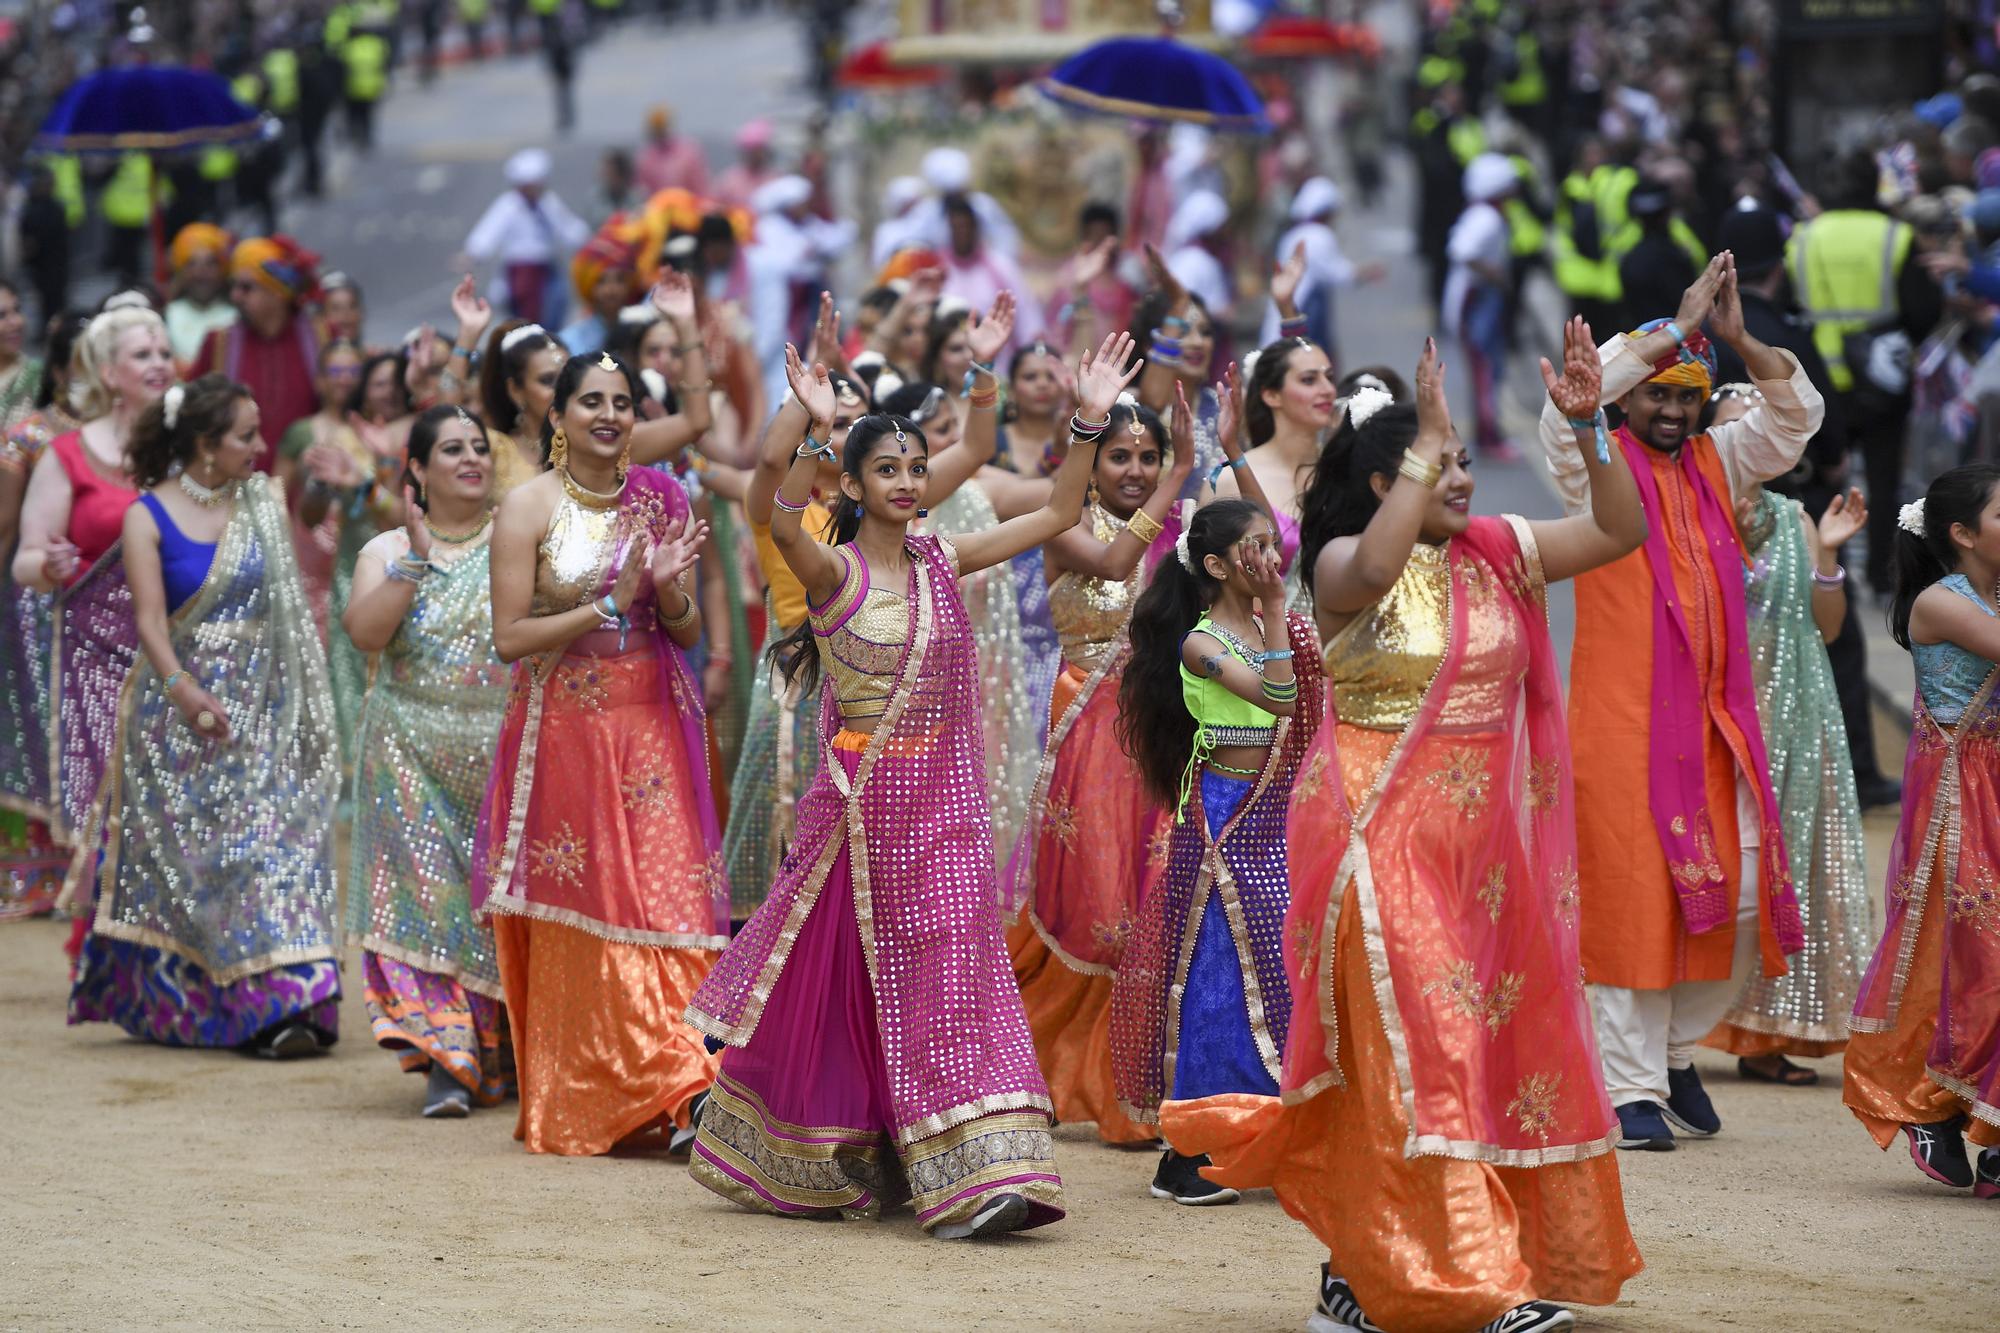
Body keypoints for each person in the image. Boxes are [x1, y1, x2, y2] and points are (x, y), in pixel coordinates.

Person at [1167, 324, 1649, 1333]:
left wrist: (1586, 423)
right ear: (1386, 479)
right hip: (1370, 833)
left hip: (1476, 855)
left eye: (1467, 458)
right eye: (1439, 462)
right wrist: (1423, 437)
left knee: (1468, 1051)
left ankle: (1358, 1272)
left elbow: (1615, 534)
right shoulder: (1338, 568)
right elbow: (1374, 570)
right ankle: (1463, 1283)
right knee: (1418, 1047)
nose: (1461, 476)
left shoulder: (1498, 552)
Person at [685, 334, 1134, 1239]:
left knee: (953, 973)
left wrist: (1087, 420)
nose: (905, 480)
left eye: (915, 467)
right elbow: (771, 502)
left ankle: (978, 1171)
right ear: (850, 485)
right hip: (860, 817)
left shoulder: (943, 560)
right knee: (858, 981)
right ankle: (872, 1148)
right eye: (885, 468)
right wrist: (804, 419)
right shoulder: (831, 571)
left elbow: (1054, 513)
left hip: (946, 811)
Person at [1536, 254, 1826, 1151]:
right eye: (1655, 396)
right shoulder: (1595, 465)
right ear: (1625, 405)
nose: (1670, 410)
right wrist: (1677, 324)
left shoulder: (1719, 458)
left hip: (1715, 721)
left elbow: (1796, 418)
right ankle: (1626, 1085)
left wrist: (1735, 337)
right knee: (1632, 896)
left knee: (1735, 890)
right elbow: (1565, 413)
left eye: (1686, 396)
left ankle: (1672, 1049)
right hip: (1622, 722)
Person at [474, 351, 726, 1156]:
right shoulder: (526, 507)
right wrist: (606, 604)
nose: (609, 414)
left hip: (651, 717)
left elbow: (686, 632)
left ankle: (691, 1086)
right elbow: (510, 637)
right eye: (590, 401)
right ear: (557, 418)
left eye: (622, 401)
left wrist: (669, 590)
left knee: (672, 898)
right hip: (567, 729)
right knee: (599, 904)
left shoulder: (662, 496)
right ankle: (619, 1090)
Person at [69, 375, 341, 1056]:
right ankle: (225, 1009)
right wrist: (184, 690)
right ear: (204, 444)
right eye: (245, 434)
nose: (259, 444)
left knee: (272, 851)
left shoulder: (262, 501)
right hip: (178, 718)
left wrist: (330, 487)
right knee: (207, 868)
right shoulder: (146, 515)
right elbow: (150, 622)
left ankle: (292, 1006)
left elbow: (304, 549)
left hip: (266, 709)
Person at [1111, 488, 1321, 1205]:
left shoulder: (1276, 626)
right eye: (1254, 547)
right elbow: (1278, 699)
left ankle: (1268, 1131)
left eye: (1272, 542)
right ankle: (1190, 1145)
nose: (1270, 556)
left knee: (1280, 961)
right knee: (1216, 972)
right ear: (1216, 564)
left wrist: (1273, 615)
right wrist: (1272, 615)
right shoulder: (1202, 642)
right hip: (1225, 815)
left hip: (1276, 813)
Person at [1004, 389, 1192, 1146]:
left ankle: (1132, 1088)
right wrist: (1182, 471)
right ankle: (1031, 1063)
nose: (1139, 470)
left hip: (1158, 731)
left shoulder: (1177, 535)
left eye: (1150, 456)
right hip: (1086, 727)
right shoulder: (1066, 521)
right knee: (1092, 910)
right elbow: (1115, 561)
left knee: (1150, 907)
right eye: (1122, 455)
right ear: (1092, 462)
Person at [1701, 393, 1875, 1085]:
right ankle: (1683, 1023)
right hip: (1725, 717)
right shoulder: (1685, 513)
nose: (1752, 434)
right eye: (1734, 422)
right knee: (1725, 865)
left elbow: (1826, 627)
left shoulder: (1794, 515)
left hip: (1800, 709)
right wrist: (1733, 544)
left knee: (1796, 866)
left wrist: (1828, 555)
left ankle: (1771, 1025)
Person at [345, 404, 513, 1117]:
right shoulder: (385, 549)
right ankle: (448, 1056)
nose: (471, 458)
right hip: (406, 751)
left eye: (479, 446)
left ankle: (497, 1052)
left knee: (490, 910)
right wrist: (415, 560)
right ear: (416, 467)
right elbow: (365, 632)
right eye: (451, 449)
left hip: (501, 754)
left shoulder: (516, 536)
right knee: (428, 907)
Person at [1708, 202, 1897, 811]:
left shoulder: (1701, 336)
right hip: (1801, 496)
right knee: (1827, 640)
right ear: (1777, 264)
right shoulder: (1783, 336)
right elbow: (1826, 427)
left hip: (1726, 506)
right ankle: (1852, 775)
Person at [1845, 464, 2000, 1195]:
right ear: (1963, 535)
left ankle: (1986, 1128)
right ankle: (1929, 1102)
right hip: (1961, 796)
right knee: (1971, 956)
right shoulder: (1943, 602)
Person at [13, 307, 171, 879]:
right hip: (94, 663)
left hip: (180, 656)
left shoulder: (194, 452)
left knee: (177, 816)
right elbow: (27, 561)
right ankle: (107, 947)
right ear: (108, 374)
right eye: (142, 355)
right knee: (113, 818)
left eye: (163, 353)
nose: (159, 364)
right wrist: (48, 565)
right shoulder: (69, 454)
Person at [718, 370, 863, 922]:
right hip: (796, 682)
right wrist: (810, 404)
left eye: (854, 423)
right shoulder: (777, 510)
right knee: (788, 814)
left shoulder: (878, 512)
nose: (842, 433)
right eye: (834, 422)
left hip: (865, 683)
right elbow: (772, 460)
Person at [1787, 149, 1943, 594]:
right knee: (1884, 479)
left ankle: (1824, 570)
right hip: (1881, 378)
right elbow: (1923, 309)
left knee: (1820, 478)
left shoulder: (1802, 236)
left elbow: (1789, 306)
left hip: (1818, 377)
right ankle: (1881, 573)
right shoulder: (1895, 235)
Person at [0, 313, 81, 921]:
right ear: (58, 369)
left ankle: (94, 870)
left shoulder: (126, 436)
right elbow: (5, 526)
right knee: (39, 723)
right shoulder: (27, 435)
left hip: (110, 598)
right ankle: (37, 873)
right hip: (38, 601)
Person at [1211, 339, 1339, 610]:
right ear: (1271, 395)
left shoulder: (1344, 471)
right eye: (1309, 380)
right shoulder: (1229, 478)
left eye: (1329, 378)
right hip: (1264, 640)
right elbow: (1214, 583)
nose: (1328, 390)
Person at [189, 236, 324, 461]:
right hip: (236, 488)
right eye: (233, 286)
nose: (235, 296)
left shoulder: (322, 337)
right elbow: (194, 416)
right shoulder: (218, 344)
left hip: (308, 487)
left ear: (278, 292)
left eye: (246, 287)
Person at [1445, 153, 1522, 460]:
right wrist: (1497, 274)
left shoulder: (1482, 213)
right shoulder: (1487, 218)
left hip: (1477, 303)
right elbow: (1461, 251)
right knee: (1485, 371)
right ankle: (1489, 438)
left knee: (1487, 370)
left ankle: (1489, 433)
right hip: (1476, 304)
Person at [462, 149, 592, 329]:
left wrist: (587, 240)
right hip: (520, 270)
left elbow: (566, 225)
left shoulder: (547, 202)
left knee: (558, 303)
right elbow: (490, 229)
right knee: (525, 316)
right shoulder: (509, 204)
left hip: (547, 267)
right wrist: (473, 253)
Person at [1257, 178, 1384, 361]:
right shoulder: (1319, 236)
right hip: (1303, 313)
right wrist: (1369, 272)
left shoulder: (1293, 234)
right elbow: (1341, 274)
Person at [558, 220, 643, 357]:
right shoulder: (569, 342)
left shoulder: (645, 333)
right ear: (587, 284)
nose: (611, 290)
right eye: (601, 281)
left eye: (620, 280)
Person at [162, 225, 239, 367]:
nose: (201, 273)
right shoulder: (165, 316)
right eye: (192, 264)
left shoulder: (238, 318)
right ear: (180, 271)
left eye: (211, 263)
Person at [635, 104, 710, 197]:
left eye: (661, 126)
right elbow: (643, 189)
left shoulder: (688, 152)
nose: (658, 131)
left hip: (688, 205)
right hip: (658, 207)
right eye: (656, 127)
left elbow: (700, 184)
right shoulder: (646, 157)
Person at [712, 119, 778, 211]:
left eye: (759, 150)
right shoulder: (729, 182)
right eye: (753, 151)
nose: (756, 155)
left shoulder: (776, 180)